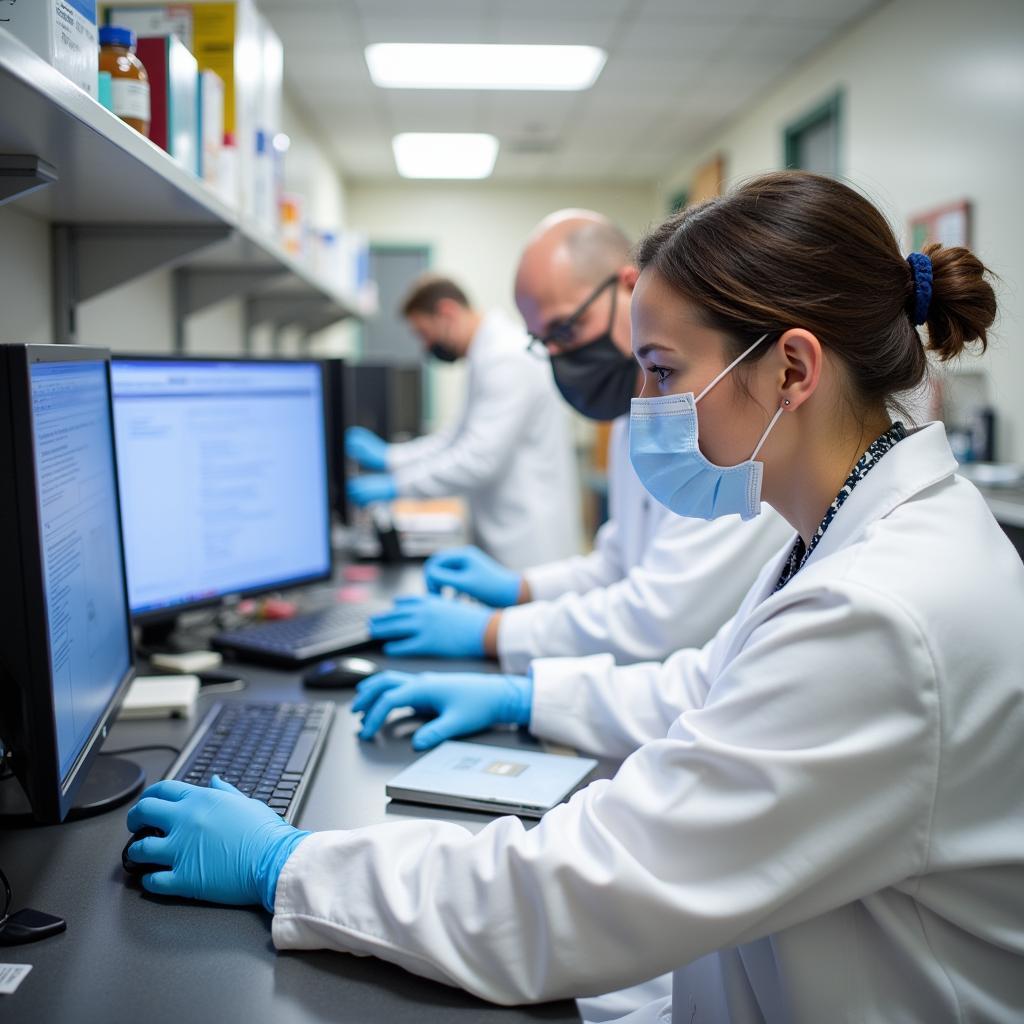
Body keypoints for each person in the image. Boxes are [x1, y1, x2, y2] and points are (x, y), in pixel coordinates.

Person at [125, 172, 1024, 1023]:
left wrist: (293, 866)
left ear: (792, 370)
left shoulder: (882, 612)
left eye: (664, 372)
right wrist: (524, 691)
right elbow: (701, 691)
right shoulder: (846, 539)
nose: (643, 402)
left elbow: (588, 889)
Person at [368, 213, 790, 669]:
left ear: (633, 288)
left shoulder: (733, 426)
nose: (560, 356)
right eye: (544, 341)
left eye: (566, 330)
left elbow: (660, 617)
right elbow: (618, 560)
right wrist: (521, 589)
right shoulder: (637, 411)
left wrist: (492, 634)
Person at [345, 274, 580, 570]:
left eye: (424, 333)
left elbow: (476, 460)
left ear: (447, 312)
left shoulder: (505, 357)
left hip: (527, 545)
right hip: (506, 534)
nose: (425, 345)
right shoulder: (486, 355)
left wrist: (398, 485)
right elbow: (454, 439)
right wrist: (390, 457)